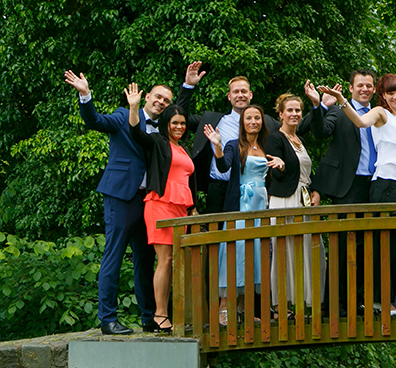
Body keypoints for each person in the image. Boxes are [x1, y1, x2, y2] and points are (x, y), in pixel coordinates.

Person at [65, 63, 202, 335]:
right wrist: (85, 96)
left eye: (167, 99)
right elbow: (95, 121)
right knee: (114, 256)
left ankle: (149, 317)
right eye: (158, 97)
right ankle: (108, 318)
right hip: (121, 196)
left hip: (150, 202)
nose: (162, 102)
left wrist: (188, 86)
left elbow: (180, 116)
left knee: (145, 260)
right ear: (147, 97)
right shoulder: (122, 116)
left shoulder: (164, 132)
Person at [310, 70, 396, 312]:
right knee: (342, 245)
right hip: (348, 185)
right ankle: (336, 305)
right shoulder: (342, 112)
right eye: (359, 85)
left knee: (368, 246)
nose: (364, 89)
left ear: (374, 90)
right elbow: (320, 133)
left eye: (369, 85)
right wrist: (321, 104)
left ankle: (361, 300)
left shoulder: (394, 119)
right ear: (350, 88)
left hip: (374, 184)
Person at [127, 83, 198, 333]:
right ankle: (159, 314)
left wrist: (193, 208)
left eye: (182, 123)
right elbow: (137, 134)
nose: (178, 127)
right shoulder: (158, 142)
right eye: (174, 123)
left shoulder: (184, 148)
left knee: (176, 261)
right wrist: (133, 108)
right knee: (165, 259)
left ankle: (172, 313)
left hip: (181, 209)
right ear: (166, 123)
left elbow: (189, 181)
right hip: (160, 205)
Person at [204, 104, 283, 325]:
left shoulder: (267, 146)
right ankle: (223, 308)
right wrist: (218, 147)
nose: (253, 122)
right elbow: (222, 166)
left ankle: (243, 309)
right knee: (236, 254)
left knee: (255, 254)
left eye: (257, 118)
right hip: (241, 205)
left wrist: (281, 165)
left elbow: (279, 175)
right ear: (242, 122)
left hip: (261, 206)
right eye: (249, 118)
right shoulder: (233, 144)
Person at [190, 76, 316, 214]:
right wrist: (188, 86)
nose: (240, 95)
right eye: (235, 91)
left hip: (260, 194)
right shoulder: (214, 121)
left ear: (250, 94)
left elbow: (295, 125)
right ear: (229, 96)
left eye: (244, 91)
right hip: (221, 187)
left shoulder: (266, 130)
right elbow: (180, 118)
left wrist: (318, 106)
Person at [264, 93, 325, 313]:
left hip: (303, 199)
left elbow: (307, 172)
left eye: (298, 110)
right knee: (283, 249)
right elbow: (276, 176)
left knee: (303, 248)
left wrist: (315, 190)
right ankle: (281, 304)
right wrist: (279, 166)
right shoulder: (275, 138)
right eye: (289, 110)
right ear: (280, 114)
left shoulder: (301, 141)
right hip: (284, 199)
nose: (294, 114)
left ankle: (300, 302)